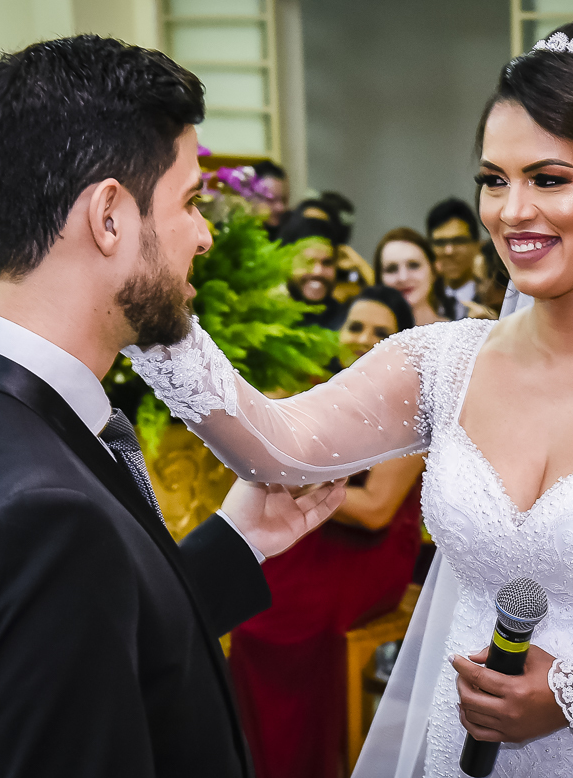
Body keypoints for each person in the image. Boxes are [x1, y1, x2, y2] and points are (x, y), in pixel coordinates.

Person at [126, 19, 573, 778]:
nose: (511, 211)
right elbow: (276, 446)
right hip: (462, 756)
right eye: (495, 179)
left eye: (549, 179)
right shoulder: (442, 361)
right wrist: (144, 309)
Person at [0, 35, 344, 778]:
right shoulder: (38, 518)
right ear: (108, 216)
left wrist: (238, 541)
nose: (205, 236)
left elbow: (89, 651)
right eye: (192, 202)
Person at [228, 285, 424, 778]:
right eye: (356, 326)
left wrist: (293, 468)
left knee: (287, 626)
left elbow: (377, 509)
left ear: (400, 343)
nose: (363, 338)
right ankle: (256, 761)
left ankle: (306, 764)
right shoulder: (324, 389)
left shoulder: (413, 409)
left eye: (381, 332)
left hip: (371, 551)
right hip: (320, 537)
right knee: (249, 614)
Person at [374, 227, 450, 326]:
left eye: (413, 265)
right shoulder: (369, 338)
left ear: (434, 270)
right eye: (391, 269)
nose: (403, 277)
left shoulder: (458, 334)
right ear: (380, 279)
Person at [281, 214, 346, 330]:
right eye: (308, 262)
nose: (318, 272)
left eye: (327, 262)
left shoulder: (347, 323)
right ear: (286, 262)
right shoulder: (263, 319)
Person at [427, 197, 482, 320]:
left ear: (477, 244)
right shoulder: (422, 299)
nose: (449, 251)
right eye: (440, 242)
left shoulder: (495, 298)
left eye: (458, 241)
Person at [252, 160, 289, 239]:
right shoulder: (229, 237)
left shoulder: (290, 236)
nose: (280, 208)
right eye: (271, 200)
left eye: (284, 200)